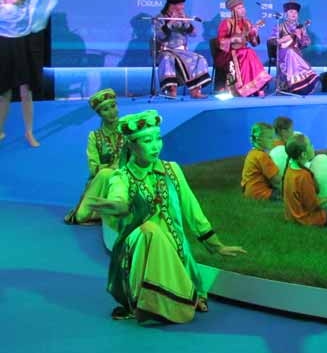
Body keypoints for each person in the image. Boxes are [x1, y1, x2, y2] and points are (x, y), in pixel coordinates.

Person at [83, 110, 246, 322]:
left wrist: (216, 246)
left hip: (176, 248)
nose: (155, 146)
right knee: (149, 231)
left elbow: (192, 209)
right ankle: (145, 298)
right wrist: (118, 206)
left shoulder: (172, 170)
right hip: (139, 247)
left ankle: (181, 291)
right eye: (147, 141)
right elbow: (118, 196)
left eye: (158, 139)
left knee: (162, 238)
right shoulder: (121, 177)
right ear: (131, 145)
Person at [0, 0, 76, 147]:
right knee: (4, 94)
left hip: (22, 50)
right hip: (5, 51)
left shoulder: (26, 10)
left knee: (26, 93)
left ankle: (29, 132)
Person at [64, 88, 127, 225]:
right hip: (103, 179)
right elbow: (93, 168)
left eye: (113, 106)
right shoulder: (94, 136)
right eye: (105, 109)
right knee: (81, 216)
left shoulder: (128, 129)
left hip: (127, 177)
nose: (112, 112)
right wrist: (113, 167)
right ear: (99, 114)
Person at [155, 0, 210, 98]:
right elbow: (160, 36)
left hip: (182, 51)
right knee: (168, 59)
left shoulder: (183, 16)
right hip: (166, 50)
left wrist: (185, 22)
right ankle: (171, 91)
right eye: (180, 5)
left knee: (199, 58)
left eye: (182, 4)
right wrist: (170, 22)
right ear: (172, 5)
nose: (182, 7)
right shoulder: (160, 17)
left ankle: (195, 91)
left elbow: (194, 34)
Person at [215, 0, 271, 97]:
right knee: (246, 53)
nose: (242, 10)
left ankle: (256, 87)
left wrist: (254, 33)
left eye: (243, 7)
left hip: (244, 51)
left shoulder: (247, 23)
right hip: (229, 53)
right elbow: (220, 42)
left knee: (249, 52)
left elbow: (254, 43)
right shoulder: (227, 23)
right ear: (233, 10)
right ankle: (243, 89)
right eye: (239, 8)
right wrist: (233, 39)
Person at [274, 0, 318, 95]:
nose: (293, 14)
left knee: (292, 52)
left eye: (295, 12)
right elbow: (272, 40)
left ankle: (300, 86)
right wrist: (280, 41)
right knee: (290, 52)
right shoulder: (280, 26)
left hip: (296, 52)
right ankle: (292, 85)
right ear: (286, 14)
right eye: (291, 12)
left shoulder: (301, 27)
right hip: (283, 52)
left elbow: (306, 43)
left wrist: (299, 37)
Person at [241, 122, 282, 200]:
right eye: (270, 138)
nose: (273, 140)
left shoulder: (252, 153)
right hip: (261, 193)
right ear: (259, 139)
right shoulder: (262, 156)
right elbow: (276, 180)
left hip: (250, 192)